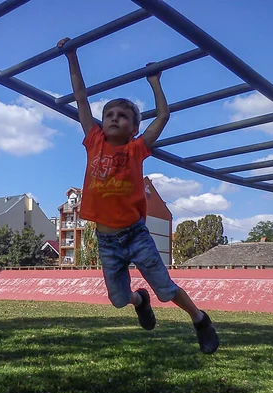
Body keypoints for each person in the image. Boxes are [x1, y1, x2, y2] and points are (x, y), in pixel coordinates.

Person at [57, 38, 219, 354]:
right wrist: (72, 56)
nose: (114, 118)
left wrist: (155, 82)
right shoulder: (94, 141)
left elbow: (162, 117)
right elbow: (80, 96)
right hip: (106, 240)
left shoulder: (136, 148)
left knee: (166, 289)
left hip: (135, 235)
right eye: (109, 114)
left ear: (133, 128)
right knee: (118, 300)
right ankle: (138, 300)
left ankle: (200, 320)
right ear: (101, 124)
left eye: (122, 115)